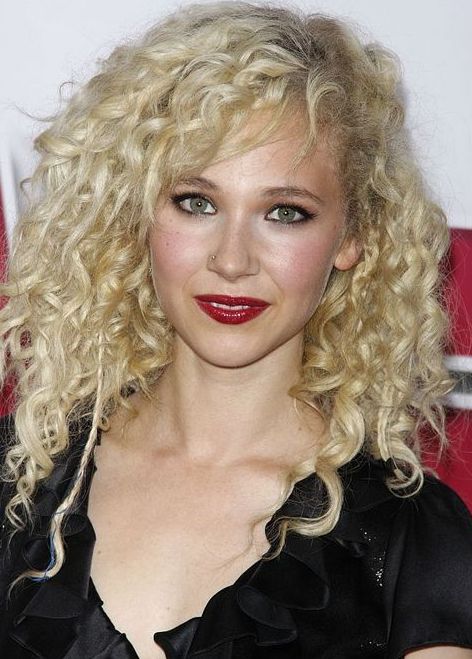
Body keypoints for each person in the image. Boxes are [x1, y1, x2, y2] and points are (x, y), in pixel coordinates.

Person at [1, 2, 472, 657]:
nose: (231, 260)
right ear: (137, 214)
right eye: (196, 202)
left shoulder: (413, 540)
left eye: (285, 212)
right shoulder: (19, 482)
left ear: (352, 236)